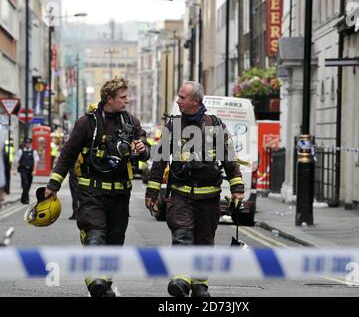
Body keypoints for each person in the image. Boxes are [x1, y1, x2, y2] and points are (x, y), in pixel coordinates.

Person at [44, 77, 150, 297]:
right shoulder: (87, 123)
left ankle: (105, 283)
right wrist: (53, 184)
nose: (127, 101)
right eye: (122, 97)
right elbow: (67, 154)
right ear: (108, 98)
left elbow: (145, 151)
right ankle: (96, 280)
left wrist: (142, 148)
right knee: (95, 233)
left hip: (120, 193)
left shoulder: (131, 122)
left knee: (115, 239)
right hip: (92, 191)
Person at [145, 81, 244, 297]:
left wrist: (237, 189)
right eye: (179, 97)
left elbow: (230, 159)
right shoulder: (173, 127)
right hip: (180, 194)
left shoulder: (216, 126)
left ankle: (199, 285)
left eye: (182, 97)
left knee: (204, 241)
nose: (178, 101)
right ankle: (180, 279)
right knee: (182, 235)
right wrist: (152, 193)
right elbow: (159, 161)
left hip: (209, 198)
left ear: (195, 101)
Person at [16, 138, 39, 204]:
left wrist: (34, 170)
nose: (28, 144)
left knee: (28, 184)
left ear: (31, 143)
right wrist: (14, 169)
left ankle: (23, 198)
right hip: (23, 170)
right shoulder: (21, 151)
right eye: (26, 142)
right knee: (25, 184)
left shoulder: (33, 151)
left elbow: (36, 161)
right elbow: (16, 160)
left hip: (30, 170)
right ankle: (26, 199)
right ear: (24, 143)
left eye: (29, 142)